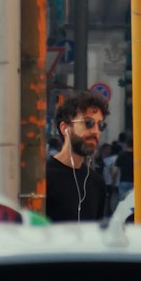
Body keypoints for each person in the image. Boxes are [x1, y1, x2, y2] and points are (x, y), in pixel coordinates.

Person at [44, 92, 108, 223]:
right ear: (65, 128)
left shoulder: (96, 183)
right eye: (88, 123)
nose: (96, 131)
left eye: (100, 125)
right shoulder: (44, 178)